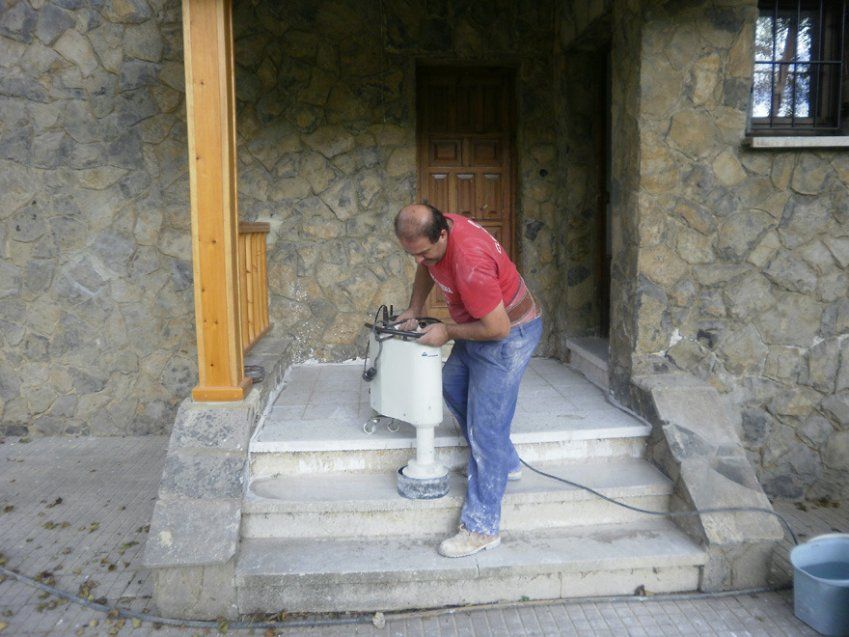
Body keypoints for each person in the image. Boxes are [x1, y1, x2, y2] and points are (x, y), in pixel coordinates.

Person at [393, 203, 542, 558]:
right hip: (482, 328)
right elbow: (427, 268)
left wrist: (446, 332)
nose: (419, 260)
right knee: (451, 385)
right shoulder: (437, 241)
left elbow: (497, 328)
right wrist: (414, 308)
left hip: (508, 336)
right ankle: (505, 462)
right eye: (411, 254)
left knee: (485, 430)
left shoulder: (469, 260)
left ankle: (482, 528)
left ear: (442, 233)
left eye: (424, 252)